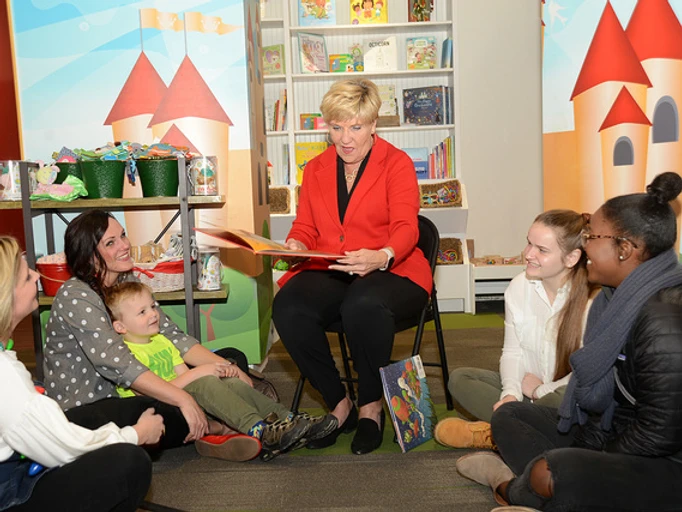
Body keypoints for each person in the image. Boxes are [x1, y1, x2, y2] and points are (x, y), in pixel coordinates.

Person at [455, 172, 682, 511]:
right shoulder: (616, 299)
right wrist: (587, 452)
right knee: (511, 416)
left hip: (662, 463)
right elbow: (601, 402)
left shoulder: (663, 321)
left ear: (625, 249)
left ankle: (509, 487)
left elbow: (658, 435)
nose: (585, 244)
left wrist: (594, 461)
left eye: (592, 236)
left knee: (552, 472)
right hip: (614, 431)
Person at [272, 79, 432, 455]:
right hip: (337, 268)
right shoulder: (314, 169)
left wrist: (383, 255)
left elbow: (408, 227)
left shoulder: (397, 164)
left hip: (395, 269)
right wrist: (297, 242)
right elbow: (306, 226)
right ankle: (338, 403)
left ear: (373, 125)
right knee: (288, 306)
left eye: (356, 127)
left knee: (362, 304)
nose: (345, 138)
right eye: (337, 127)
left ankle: (371, 407)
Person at [42, 209, 253, 447]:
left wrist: (227, 368)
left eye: (123, 235)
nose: (124, 245)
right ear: (90, 256)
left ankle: (216, 416)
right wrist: (183, 397)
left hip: (138, 382)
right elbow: (121, 366)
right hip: (97, 404)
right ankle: (217, 427)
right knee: (158, 414)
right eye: (111, 242)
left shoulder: (125, 281)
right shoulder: (76, 295)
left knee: (232, 359)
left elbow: (171, 336)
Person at [0, 236, 164, 511]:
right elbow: (65, 447)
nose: (36, 275)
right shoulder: (6, 376)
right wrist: (136, 434)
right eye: (26, 275)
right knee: (128, 461)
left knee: (110, 414)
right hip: (9, 492)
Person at [106, 281, 336, 461]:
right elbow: (153, 390)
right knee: (205, 381)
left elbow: (183, 375)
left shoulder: (163, 342)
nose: (153, 314)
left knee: (229, 382)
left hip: (180, 399)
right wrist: (201, 373)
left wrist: (213, 373)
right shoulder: (127, 355)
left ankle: (288, 419)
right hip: (150, 409)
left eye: (153, 306)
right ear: (120, 326)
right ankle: (259, 429)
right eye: (142, 312)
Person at [435, 210, 596, 450]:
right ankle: (519, 428)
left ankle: (496, 433)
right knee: (460, 379)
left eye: (542, 250)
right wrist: (509, 394)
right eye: (529, 243)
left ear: (572, 258)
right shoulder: (519, 286)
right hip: (526, 390)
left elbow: (586, 375)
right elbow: (512, 352)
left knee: (565, 399)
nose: (528, 254)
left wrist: (540, 390)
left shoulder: (593, 300)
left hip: (558, 395)